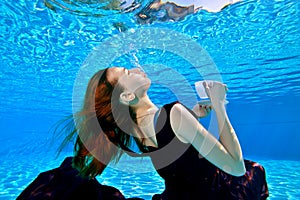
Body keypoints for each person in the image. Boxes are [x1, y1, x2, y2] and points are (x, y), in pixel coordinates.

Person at [49, 66, 268, 200]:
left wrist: (191, 117)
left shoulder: (135, 125)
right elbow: (236, 167)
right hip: (214, 195)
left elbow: (168, 139)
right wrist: (219, 105)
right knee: (254, 170)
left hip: (180, 196)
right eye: (127, 73)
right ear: (126, 97)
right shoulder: (174, 115)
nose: (136, 69)